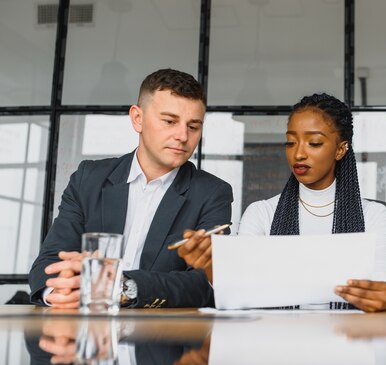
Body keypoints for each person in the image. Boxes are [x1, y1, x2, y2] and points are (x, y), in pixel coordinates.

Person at [29, 68, 233, 309]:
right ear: (138, 118)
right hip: (82, 332)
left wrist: (122, 287)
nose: (182, 136)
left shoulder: (212, 193)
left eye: (194, 126)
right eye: (169, 121)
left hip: (163, 338)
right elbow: (50, 261)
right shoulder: (88, 178)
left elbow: (205, 285)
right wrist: (57, 291)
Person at [179, 93, 386, 312]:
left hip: (349, 339)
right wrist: (211, 266)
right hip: (276, 340)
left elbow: (382, 282)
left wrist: (385, 297)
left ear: (340, 149)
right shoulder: (261, 213)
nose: (298, 154)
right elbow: (240, 291)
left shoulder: (373, 214)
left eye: (314, 143)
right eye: (291, 142)